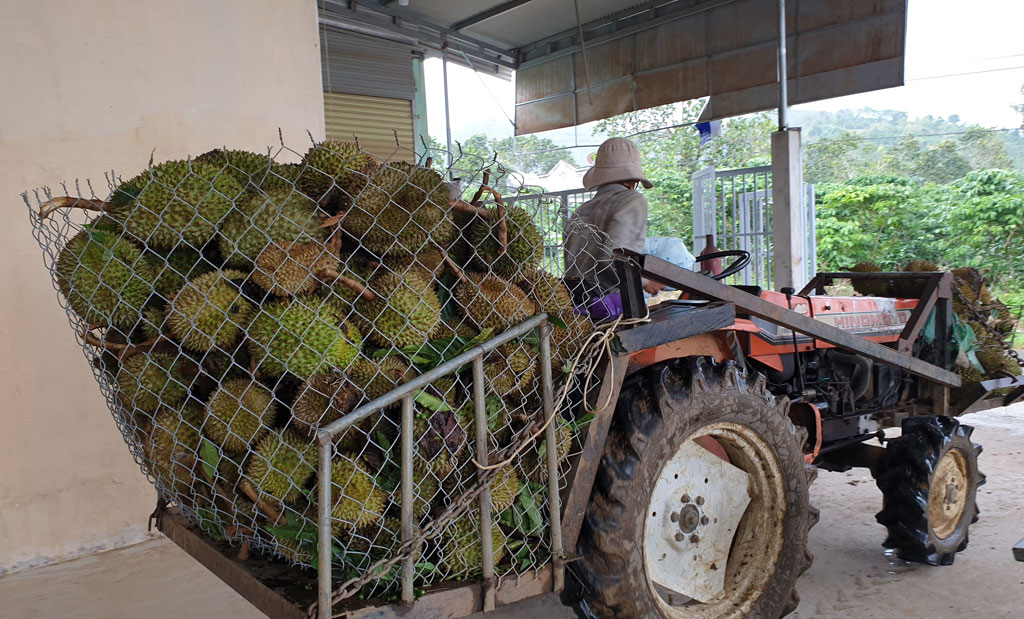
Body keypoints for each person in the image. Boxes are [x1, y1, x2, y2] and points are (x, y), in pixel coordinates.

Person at [563, 137, 665, 320]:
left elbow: (571, 263)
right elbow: (617, 257)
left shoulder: (581, 210)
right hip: (609, 309)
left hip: (574, 307)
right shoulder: (631, 200)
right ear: (633, 179)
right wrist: (646, 282)